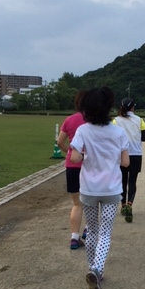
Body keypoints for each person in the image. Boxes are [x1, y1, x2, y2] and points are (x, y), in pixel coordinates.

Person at [70, 87, 130, 289]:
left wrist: (85, 155)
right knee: (105, 232)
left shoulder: (83, 131)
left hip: (89, 189)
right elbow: (125, 162)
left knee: (92, 230)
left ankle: (92, 268)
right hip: (111, 189)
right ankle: (97, 269)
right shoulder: (118, 132)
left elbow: (75, 158)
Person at [57, 89, 87, 250]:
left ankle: (74, 237)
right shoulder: (93, 120)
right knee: (92, 201)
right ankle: (88, 229)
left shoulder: (69, 120)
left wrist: (69, 152)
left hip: (72, 165)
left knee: (77, 203)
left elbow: (60, 142)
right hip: (89, 166)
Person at [113, 97, 145, 223]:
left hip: (122, 154)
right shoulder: (139, 120)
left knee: (122, 181)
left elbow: (112, 137)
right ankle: (129, 204)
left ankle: (123, 205)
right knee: (132, 181)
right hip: (136, 154)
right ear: (133, 107)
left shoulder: (116, 120)